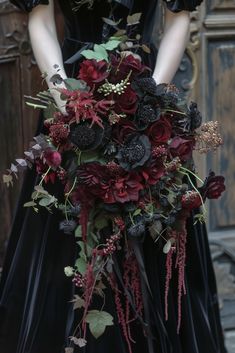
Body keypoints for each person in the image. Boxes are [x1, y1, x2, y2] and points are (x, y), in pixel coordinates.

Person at [0, 1, 227, 353]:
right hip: (73, 99)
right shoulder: (70, 105)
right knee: (70, 239)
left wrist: (148, 105)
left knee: (152, 233)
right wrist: (70, 105)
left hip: (147, 102)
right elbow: (40, 19)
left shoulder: (148, 103)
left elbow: (179, 16)